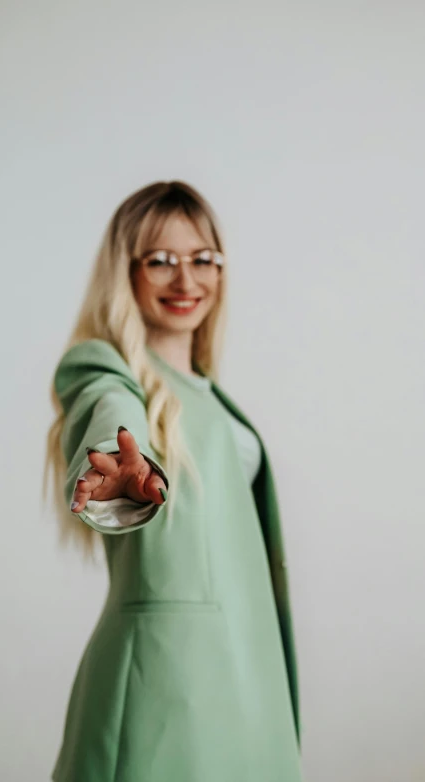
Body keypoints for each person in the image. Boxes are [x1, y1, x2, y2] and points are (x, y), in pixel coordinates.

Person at [45, 180, 304, 782]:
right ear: (124, 272)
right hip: (166, 683)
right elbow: (110, 414)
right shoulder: (107, 369)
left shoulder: (211, 396)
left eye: (202, 260)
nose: (186, 281)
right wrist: (117, 468)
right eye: (160, 261)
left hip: (246, 676)